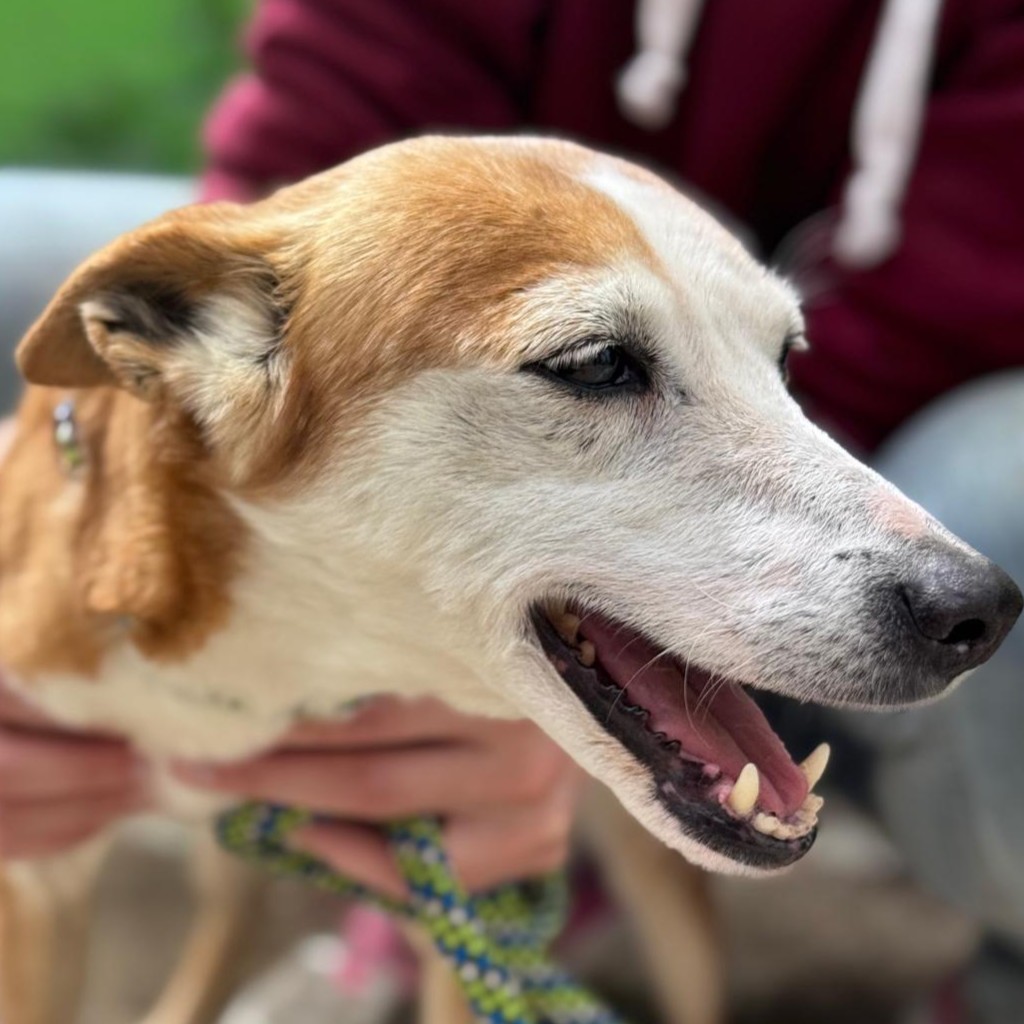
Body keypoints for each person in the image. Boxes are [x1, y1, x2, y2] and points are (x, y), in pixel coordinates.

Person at [1, 2, 1023, 1020]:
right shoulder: (250, 337)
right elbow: (301, 174)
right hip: (357, 347)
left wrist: (520, 693)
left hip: (925, 369)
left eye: (778, 351)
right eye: (597, 365)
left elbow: (960, 276)